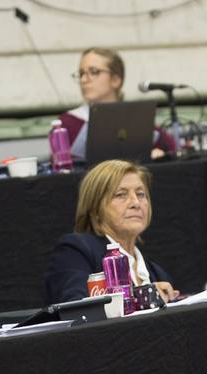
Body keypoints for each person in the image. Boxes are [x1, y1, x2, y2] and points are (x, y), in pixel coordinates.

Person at [43, 159, 176, 303]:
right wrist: (142, 298)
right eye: (121, 195)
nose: (136, 203)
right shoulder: (75, 252)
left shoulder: (157, 273)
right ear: (95, 208)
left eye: (141, 194)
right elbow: (75, 309)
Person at [58, 47, 176, 161]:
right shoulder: (67, 123)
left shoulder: (137, 120)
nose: (84, 80)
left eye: (93, 72)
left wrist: (159, 154)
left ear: (115, 80)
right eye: (81, 73)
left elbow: (171, 150)